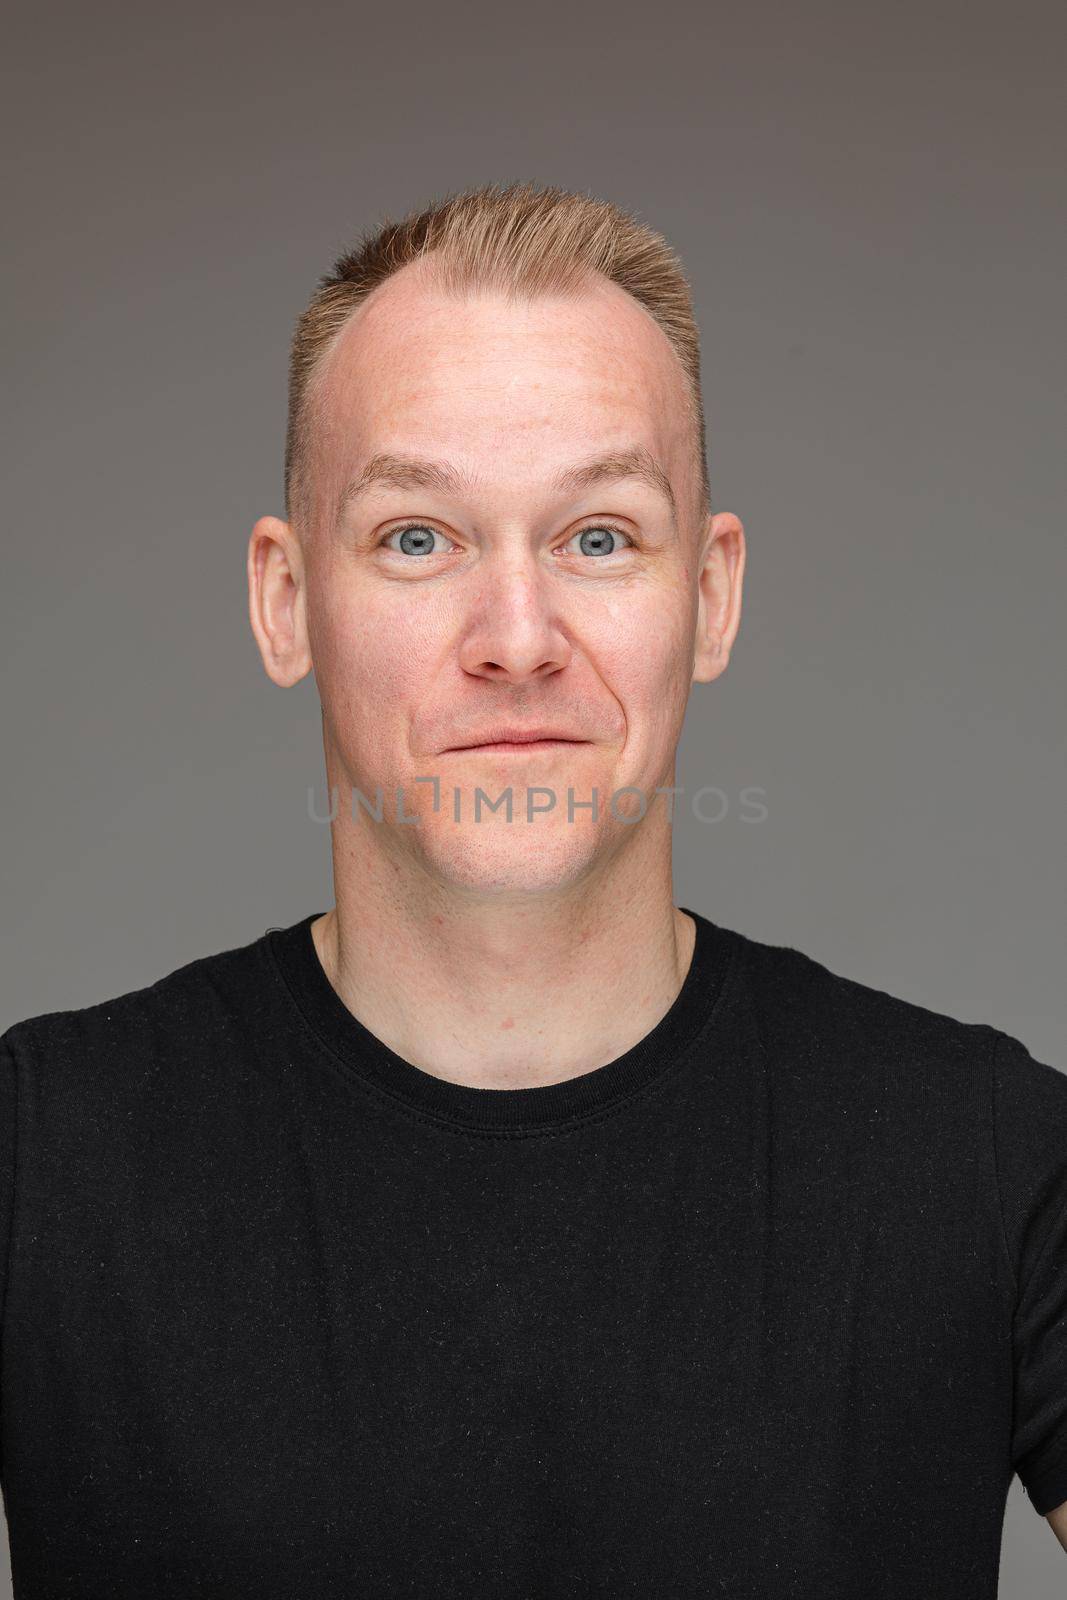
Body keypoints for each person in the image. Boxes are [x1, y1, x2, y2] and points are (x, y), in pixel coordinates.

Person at [1, 180, 1063, 1599]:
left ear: (714, 595)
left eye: (601, 535)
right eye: (419, 538)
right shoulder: (33, 1162)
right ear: (284, 598)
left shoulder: (995, 1161)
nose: (517, 638)